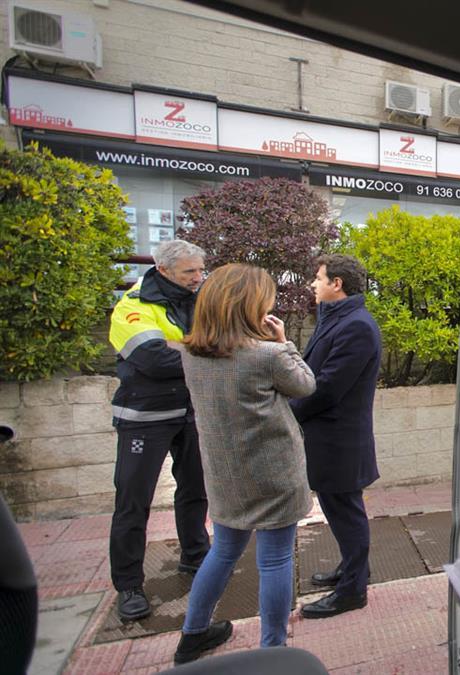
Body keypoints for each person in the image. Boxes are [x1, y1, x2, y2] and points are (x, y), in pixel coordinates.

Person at [174, 264, 316, 664]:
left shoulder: (190, 353)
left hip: (224, 474)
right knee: (274, 559)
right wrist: (284, 342)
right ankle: (273, 649)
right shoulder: (268, 356)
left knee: (222, 552)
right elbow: (306, 385)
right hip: (273, 474)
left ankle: (193, 634)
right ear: (249, 306)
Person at [107, 239, 210, 621]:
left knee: (196, 490)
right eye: (190, 272)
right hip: (144, 417)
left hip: (192, 411)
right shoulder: (133, 305)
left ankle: (195, 556)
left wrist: (182, 345)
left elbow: (226, 342)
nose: (198, 278)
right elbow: (152, 359)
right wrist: (201, 347)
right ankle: (129, 585)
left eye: (200, 270)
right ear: (164, 270)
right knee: (133, 503)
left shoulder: (197, 297)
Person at [291, 254, 382, 619]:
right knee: (339, 511)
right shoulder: (338, 319)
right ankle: (352, 570)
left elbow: (327, 388)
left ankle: (352, 591)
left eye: (318, 278)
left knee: (347, 514)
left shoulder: (356, 326)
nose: (313, 284)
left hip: (340, 442)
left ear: (337, 284)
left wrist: (289, 412)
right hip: (328, 439)